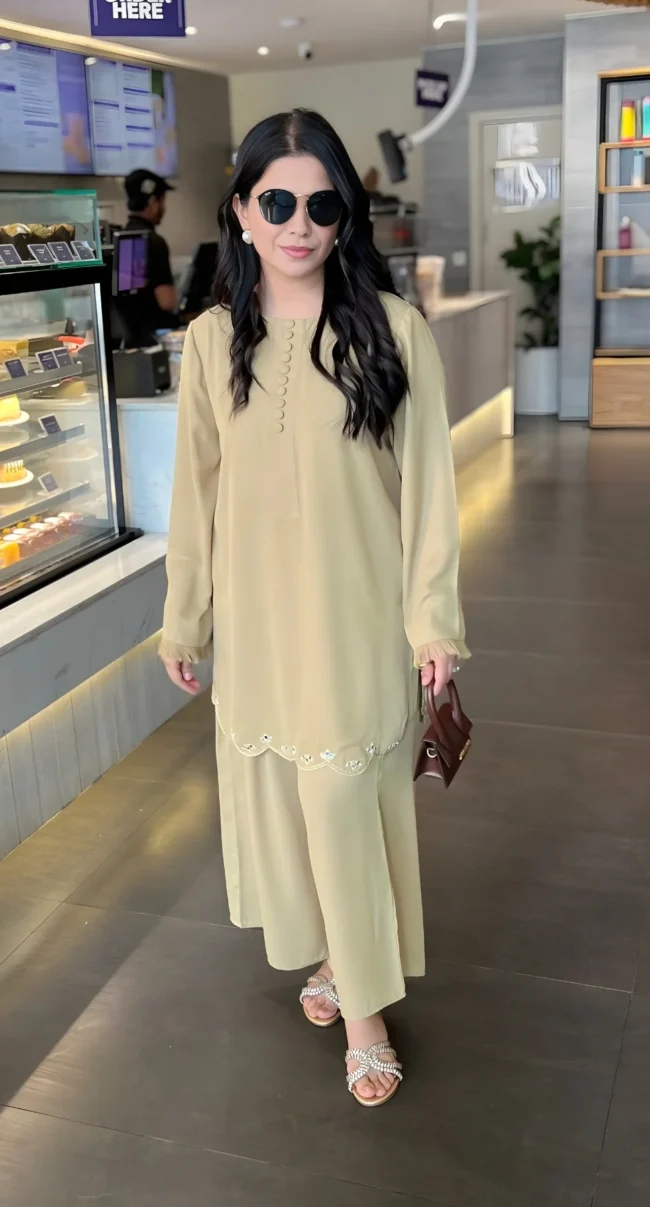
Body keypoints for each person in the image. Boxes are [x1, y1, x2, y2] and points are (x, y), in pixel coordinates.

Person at [160, 109, 468, 1107]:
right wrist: (185, 616)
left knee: (339, 807)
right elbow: (195, 496)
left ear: (345, 218)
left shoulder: (393, 330)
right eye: (278, 201)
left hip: (356, 618)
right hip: (258, 626)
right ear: (242, 211)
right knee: (290, 815)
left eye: (322, 204)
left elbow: (429, 490)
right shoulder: (211, 342)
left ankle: (365, 1011)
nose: (300, 223)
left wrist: (432, 619)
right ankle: (335, 955)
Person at [123, 168, 178, 333]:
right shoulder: (154, 242)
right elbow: (167, 302)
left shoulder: (124, 239)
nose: (164, 208)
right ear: (153, 202)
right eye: (162, 201)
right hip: (155, 334)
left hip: (131, 335)